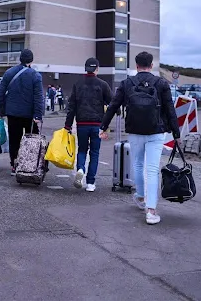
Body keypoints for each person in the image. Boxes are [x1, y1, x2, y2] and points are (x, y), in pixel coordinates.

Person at [99, 52, 181, 225]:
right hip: (156, 132)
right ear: (151, 66)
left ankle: (141, 197)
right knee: (151, 169)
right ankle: (151, 211)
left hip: (135, 131)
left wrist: (103, 126)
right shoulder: (161, 84)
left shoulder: (127, 83)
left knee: (137, 163)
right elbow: (170, 110)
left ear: (136, 66)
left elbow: (113, 106)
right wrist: (176, 133)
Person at [0, 49, 44, 175]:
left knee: (14, 140)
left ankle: (14, 165)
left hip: (13, 113)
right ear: (31, 60)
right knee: (31, 140)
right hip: (29, 115)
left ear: (20, 59)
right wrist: (38, 114)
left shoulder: (9, 73)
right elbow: (38, 97)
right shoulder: (35, 75)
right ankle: (29, 165)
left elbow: (0, 92)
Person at [64, 58, 112, 192]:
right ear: (97, 68)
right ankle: (90, 183)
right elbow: (112, 103)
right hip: (97, 124)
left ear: (85, 68)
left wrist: (68, 126)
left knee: (82, 150)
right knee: (95, 152)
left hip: (82, 123)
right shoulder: (103, 85)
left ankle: (80, 169)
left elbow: (71, 106)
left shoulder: (78, 84)